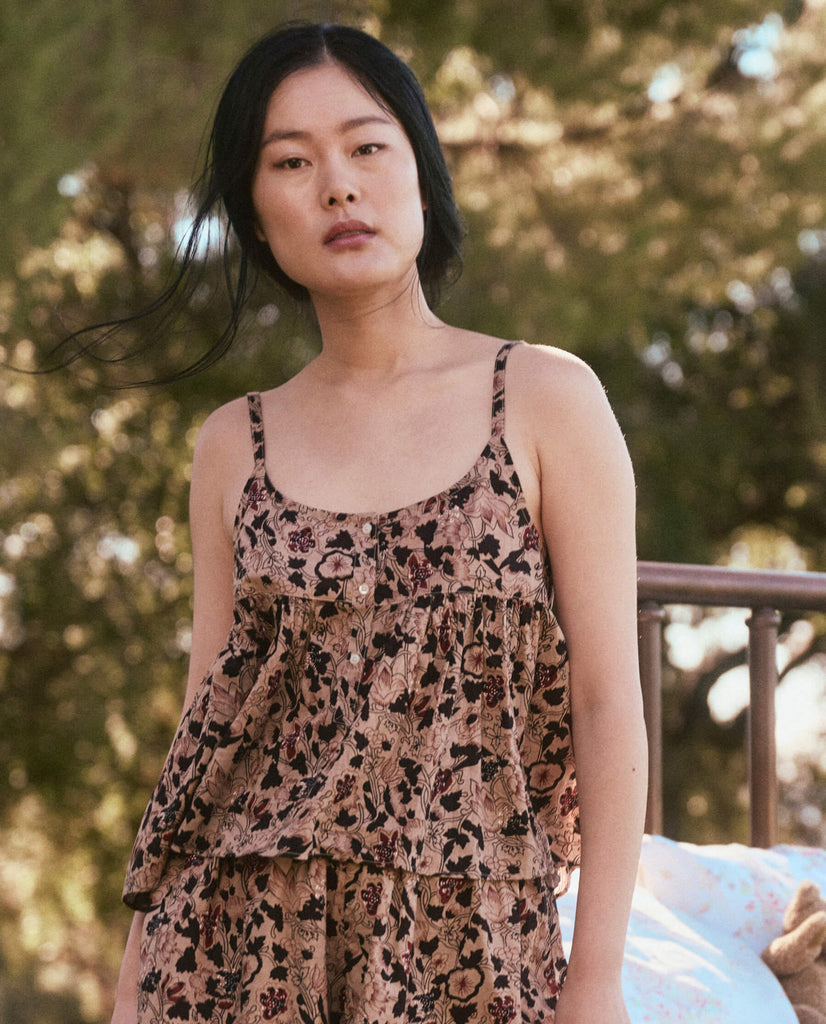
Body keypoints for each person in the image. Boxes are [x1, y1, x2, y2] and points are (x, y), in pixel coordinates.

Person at [109, 22, 647, 1024]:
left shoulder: (542, 397)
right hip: (236, 944)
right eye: (291, 162)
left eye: (366, 147)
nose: (337, 187)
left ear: (422, 177)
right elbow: (204, 729)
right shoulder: (234, 442)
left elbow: (608, 700)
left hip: (471, 945)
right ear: (256, 215)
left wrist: (597, 976)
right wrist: (138, 979)